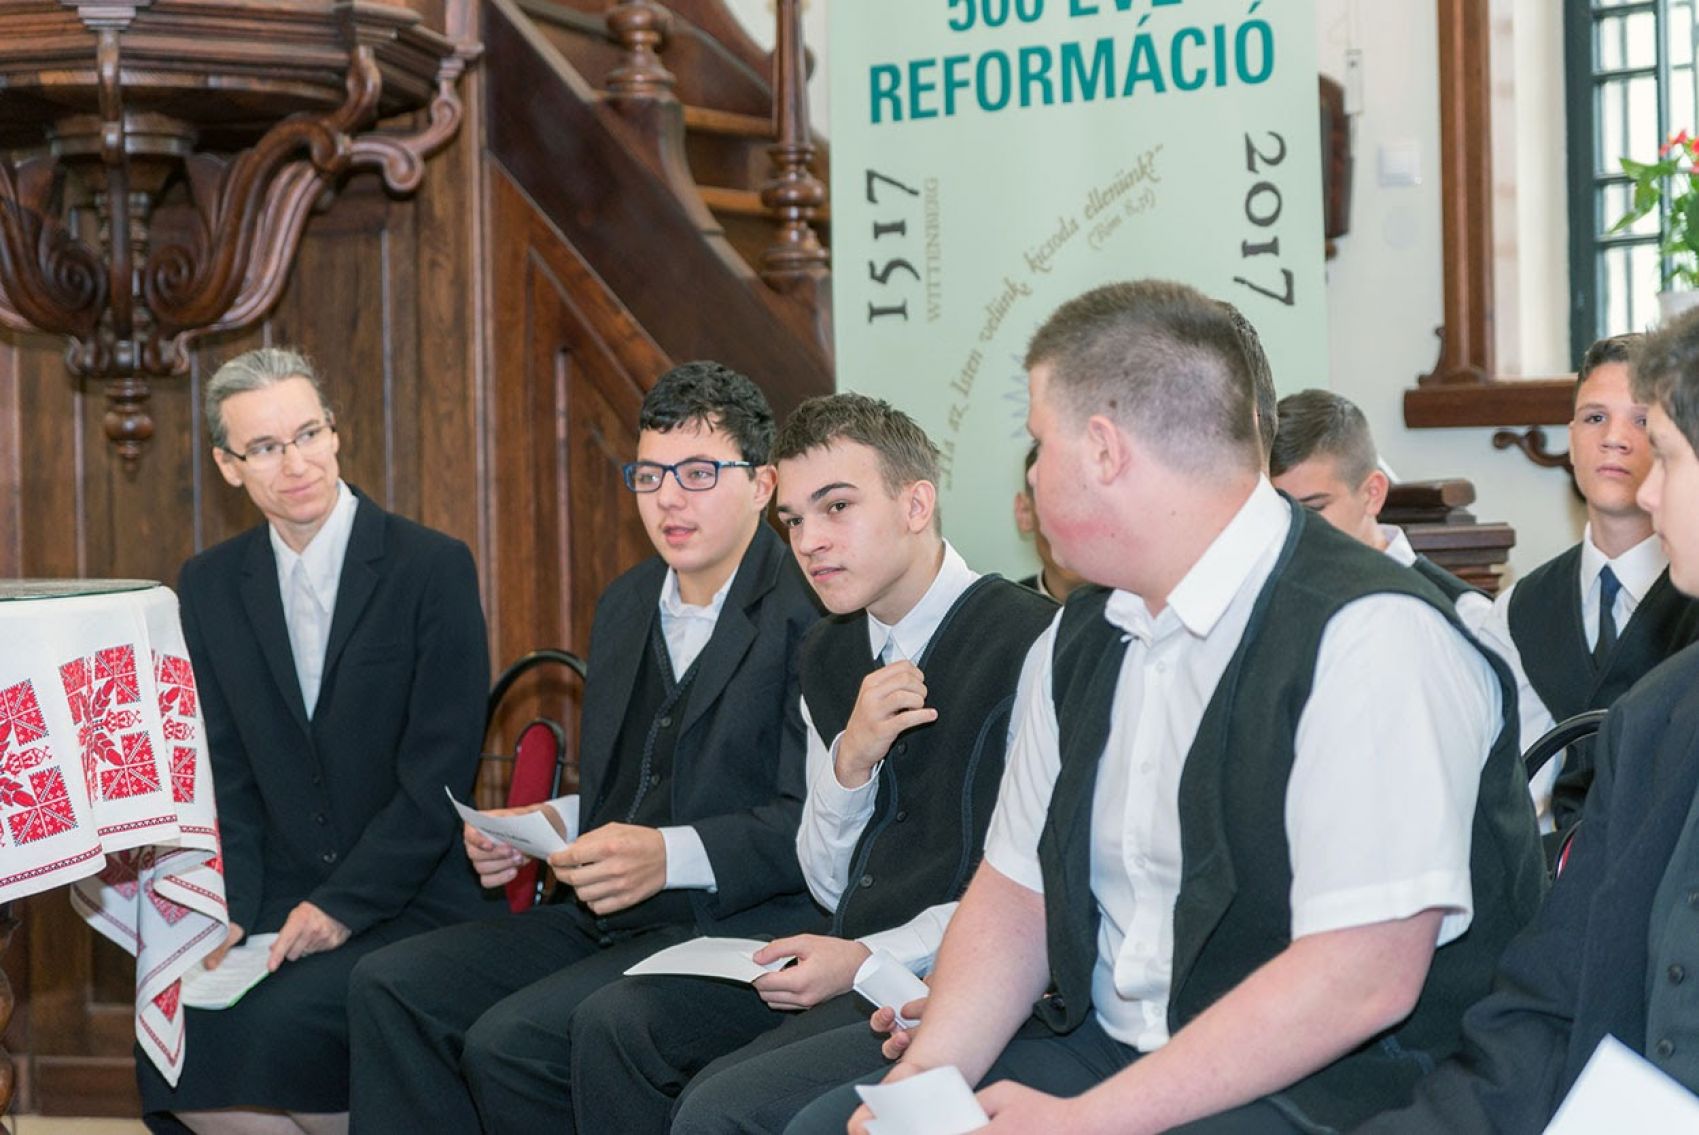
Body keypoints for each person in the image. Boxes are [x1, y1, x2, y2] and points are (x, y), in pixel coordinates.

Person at [790, 279, 1543, 1135]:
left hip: (1344, 1079)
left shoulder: (1370, 634)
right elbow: (1015, 892)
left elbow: (1360, 977)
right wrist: (926, 1082)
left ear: (1102, 450)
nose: (1029, 475)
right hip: (1113, 1040)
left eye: (1039, 442)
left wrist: (1087, 1122)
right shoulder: (1073, 636)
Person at [345, 361, 822, 1135]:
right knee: (389, 984)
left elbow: (815, 821)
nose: (668, 497)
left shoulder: (812, 611)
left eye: (698, 472)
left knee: (511, 1043)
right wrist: (545, 827)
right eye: (649, 474)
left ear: (762, 484)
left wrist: (667, 855)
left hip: (738, 922)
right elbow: (626, 789)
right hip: (607, 915)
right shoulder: (625, 601)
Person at [561, 394, 1056, 1134]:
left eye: (837, 507)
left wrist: (864, 956)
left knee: (719, 1108)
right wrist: (850, 762)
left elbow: (1032, 889)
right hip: (848, 952)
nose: (810, 541)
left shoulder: (1033, 641)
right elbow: (828, 880)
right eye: (792, 520)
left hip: (962, 977)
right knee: (616, 1027)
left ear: (916, 504)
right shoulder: (828, 650)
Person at [1354, 304, 1699, 1133]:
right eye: (1594, 418)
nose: (1648, 489)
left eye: (1666, 454)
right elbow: (1544, 1011)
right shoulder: (1655, 719)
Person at [142, 348, 494, 1135]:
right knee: (170, 1033)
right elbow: (224, 770)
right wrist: (229, 909)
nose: (296, 462)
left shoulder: (430, 566)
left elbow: (438, 776)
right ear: (229, 466)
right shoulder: (208, 583)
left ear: (335, 432)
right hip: (274, 896)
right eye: (265, 447)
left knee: (277, 1027)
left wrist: (342, 904)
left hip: (412, 896)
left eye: (307, 433)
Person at [1472, 334, 1699, 828]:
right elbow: (1510, 794)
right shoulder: (1517, 612)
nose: (1614, 438)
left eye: (1641, 420)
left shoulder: (1693, 594)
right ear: (1571, 437)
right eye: (1595, 418)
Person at [1269, 388, 1488, 620]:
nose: (1291, 528)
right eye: (1278, 511)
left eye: (1313, 508)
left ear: (1372, 494)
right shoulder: (1265, 600)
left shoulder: (1462, 614)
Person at [1014, 442, 1086, 602]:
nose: (1073, 526)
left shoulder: (1140, 611)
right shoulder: (1000, 612)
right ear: (1025, 512)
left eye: (1090, 503)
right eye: (1057, 502)